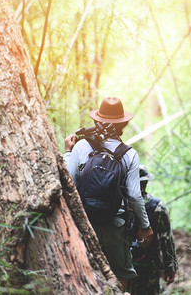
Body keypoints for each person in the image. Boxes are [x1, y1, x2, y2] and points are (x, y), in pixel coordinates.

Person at [64, 96, 153, 292]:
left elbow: (69, 183)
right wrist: (145, 226)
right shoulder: (129, 154)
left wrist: (68, 152)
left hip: (84, 222)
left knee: (86, 272)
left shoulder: (81, 146)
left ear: (97, 121)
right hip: (116, 223)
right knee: (120, 274)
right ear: (122, 125)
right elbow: (134, 196)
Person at [126, 165, 178, 295]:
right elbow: (166, 240)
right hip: (150, 266)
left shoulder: (121, 204)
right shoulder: (158, 207)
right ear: (146, 182)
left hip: (125, 265)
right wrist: (170, 267)